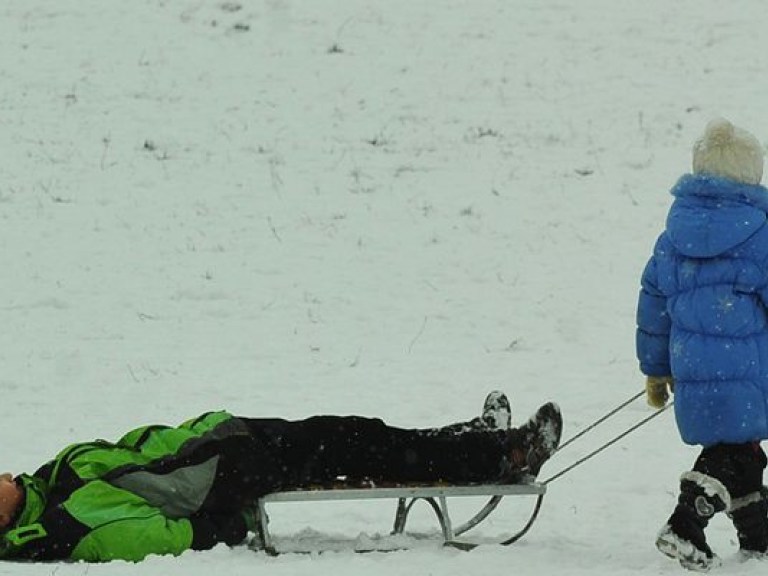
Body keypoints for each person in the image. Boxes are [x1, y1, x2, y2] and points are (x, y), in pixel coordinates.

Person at [0, 392, 561, 562]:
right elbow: (151, 534)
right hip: (230, 470)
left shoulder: (50, 481)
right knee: (360, 441)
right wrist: (221, 527)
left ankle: (470, 440)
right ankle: (504, 456)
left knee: (358, 432)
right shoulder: (64, 520)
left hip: (226, 439)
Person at [636, 117, 768, 570]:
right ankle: (683, 525)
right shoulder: (761, 236)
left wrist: (656, 369)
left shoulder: (672, 238)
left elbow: (654, 307)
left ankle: (759, 539)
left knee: (743, 456)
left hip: (692, 370)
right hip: (746, 370)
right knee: (733, 456)